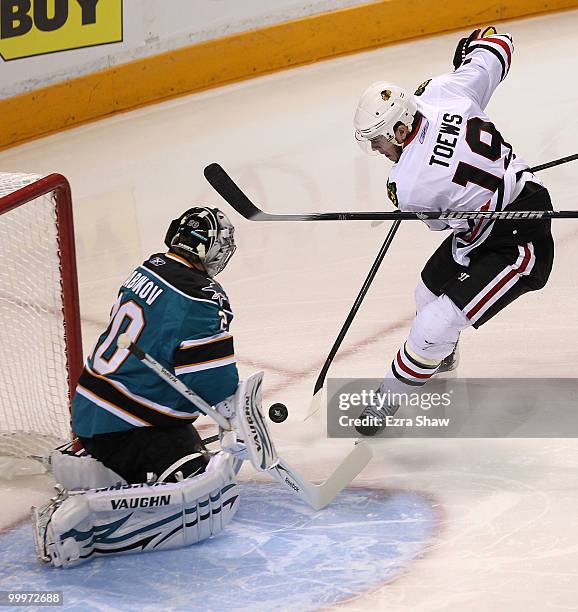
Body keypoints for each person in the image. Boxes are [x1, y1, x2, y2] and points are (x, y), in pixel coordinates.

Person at [352, 27, 554, 435]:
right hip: (497, 217)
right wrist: (472, 52)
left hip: (518, 242)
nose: (376, 150)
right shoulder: (446, 91)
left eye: (377, 141)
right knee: (425, 295)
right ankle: (438, 357)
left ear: (398, 129)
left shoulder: (408, 184)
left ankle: (387, 400)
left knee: (433, 325)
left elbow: (438, 222)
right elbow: (500, 44)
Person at [32, 207, 259, 567]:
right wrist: (237, 415)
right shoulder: (203, 295)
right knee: (206, 492)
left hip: (93, 410)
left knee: (189, 456)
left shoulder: (146, 268)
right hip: (131, 425)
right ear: (211, 249)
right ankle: (79, 522)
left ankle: (99, 468)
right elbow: (210, 383)